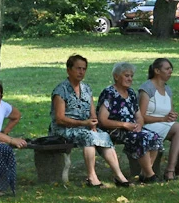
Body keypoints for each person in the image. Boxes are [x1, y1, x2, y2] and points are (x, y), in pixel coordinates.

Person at [50, 55, 131, 188]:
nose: (81, 72)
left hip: (85, 126)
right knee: (88, 137)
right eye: (78, 68)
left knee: (103, 135)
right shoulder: (61, 90)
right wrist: (84, 124)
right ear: (69, 70)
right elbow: (60, 119)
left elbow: (93, 113)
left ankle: (119, 175)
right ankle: (92, 177)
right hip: (64, 129)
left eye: (84, 69)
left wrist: (93, 124)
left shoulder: (87, 89)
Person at [98, 62, 163, 183]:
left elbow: (139, 116)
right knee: (141, 138)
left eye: (131, 76)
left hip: (131, 128)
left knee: (155, 137)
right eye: (126, 75)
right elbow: (102, 120)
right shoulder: (109, 93)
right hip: (115, 129)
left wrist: (139, 125)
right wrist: (124, 125)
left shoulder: (131, 93)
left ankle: (145, 173)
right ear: (116, 76)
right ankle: (150, 176)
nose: (130, 79)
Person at [138, 58, 179, 181]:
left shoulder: (167, 89)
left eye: (171, 69)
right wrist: (163, 118)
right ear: (157, 71)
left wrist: (172, 115)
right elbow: (141, 116)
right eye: (167, 69)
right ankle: (170, 170)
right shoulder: (147, 89)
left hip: (164, 124)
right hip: (149, 125)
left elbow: (170, 110)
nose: (170, 71)